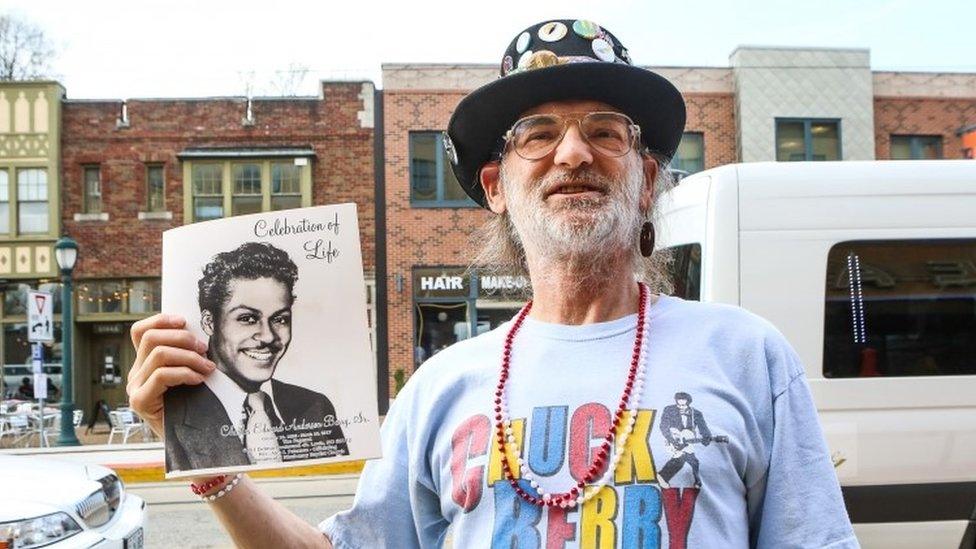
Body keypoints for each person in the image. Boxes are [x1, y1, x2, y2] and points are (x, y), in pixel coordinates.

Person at [126, 19, 857, 548]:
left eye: (606, 131)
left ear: (646, 180)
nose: (574, 151)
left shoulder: (746, 355)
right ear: (496, 186)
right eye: (538, 134)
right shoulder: (440, 387)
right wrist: (201, 446)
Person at [163, 241, 347, 473]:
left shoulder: (315, 406)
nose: (268, 336)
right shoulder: (174, 411)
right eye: (248, 318)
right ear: (209, 323)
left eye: (280, 319)